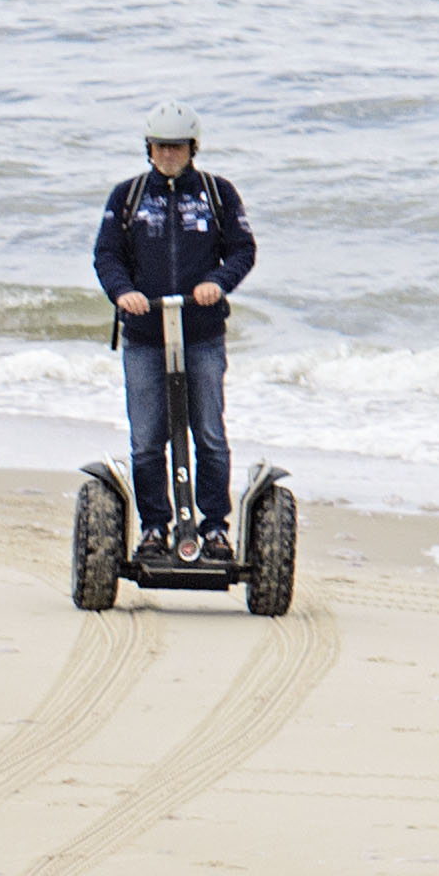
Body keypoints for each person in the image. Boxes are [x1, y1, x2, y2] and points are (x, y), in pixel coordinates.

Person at [97, 118, 258, 553]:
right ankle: (154, 527)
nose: (168, 154)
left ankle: (213, 527)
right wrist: (123, 292)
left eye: (177, 146)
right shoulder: (128, 196)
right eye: (160, 146)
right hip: (146, 334)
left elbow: (243, 249)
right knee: (147, 438)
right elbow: (107, 254)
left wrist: (218, 282)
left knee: (208, 432)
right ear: (148, 148)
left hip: (201, 332)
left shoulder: (216, 193)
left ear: (193, 147)